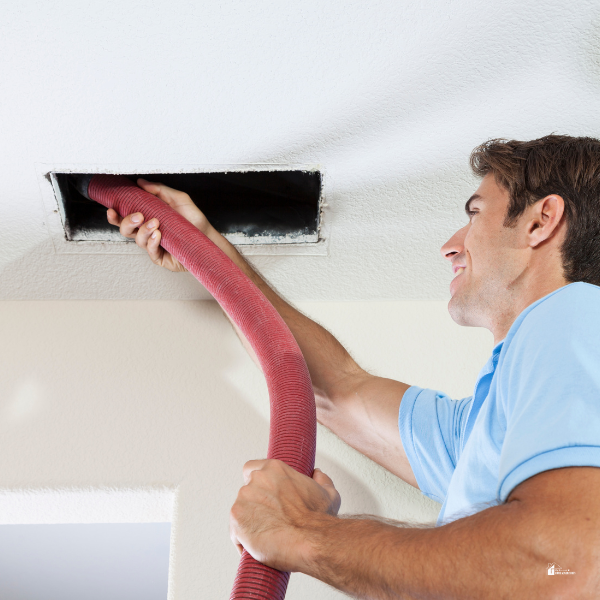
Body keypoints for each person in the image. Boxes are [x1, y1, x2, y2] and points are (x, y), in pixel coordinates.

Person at [107, 135, 600, 598]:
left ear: (541, 221)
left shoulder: (575, 314)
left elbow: (566, 565)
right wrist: (207, 250)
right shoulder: (484, 432)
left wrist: (302, 532)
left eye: (475, 214)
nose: (450, 246)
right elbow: (336, 391)